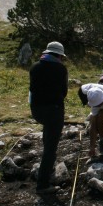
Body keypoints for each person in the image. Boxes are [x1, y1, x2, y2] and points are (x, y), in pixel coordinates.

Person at [29, 41, 68, 194]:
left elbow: (32, 89)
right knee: (51, 147)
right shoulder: (60, 69)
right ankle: (43, 185)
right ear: (59, 55)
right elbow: (64, 91)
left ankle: (48, 166)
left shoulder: (35, 67)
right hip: (54, 110)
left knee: (48, 136)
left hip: (37, 110)